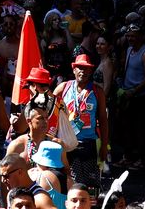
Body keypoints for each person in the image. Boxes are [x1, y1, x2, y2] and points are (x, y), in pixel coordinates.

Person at [58, 55, 108, 191]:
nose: (83, 72)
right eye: (80, 68)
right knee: (73, 183)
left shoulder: (98, 92)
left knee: (91, 185)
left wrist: (104, 146)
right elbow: (51, 113)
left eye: (87, 69)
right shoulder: (63, 88)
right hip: (68, 145)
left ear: (91, 71)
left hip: (89, 144)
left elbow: (103, 119)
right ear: (73, 69)